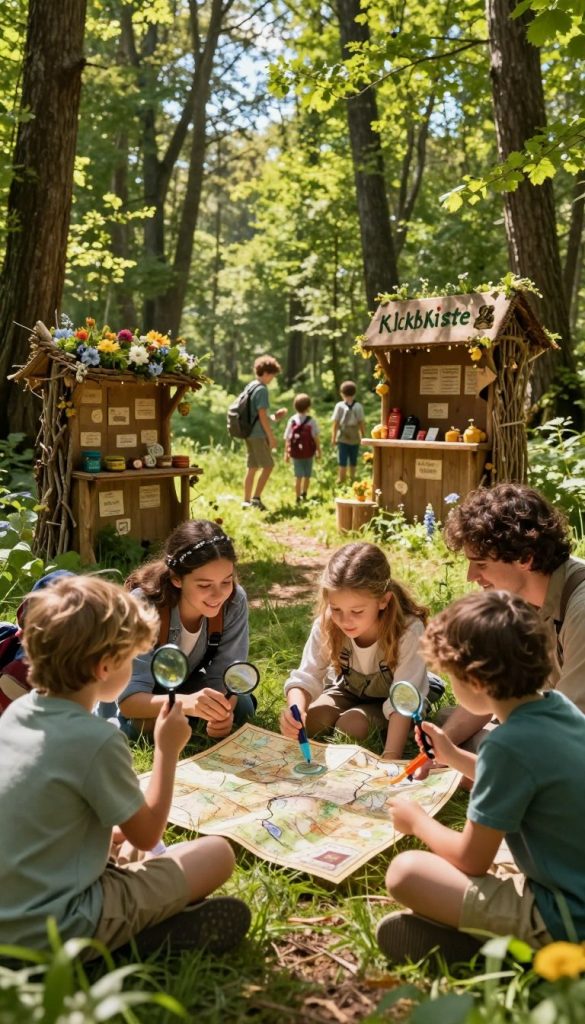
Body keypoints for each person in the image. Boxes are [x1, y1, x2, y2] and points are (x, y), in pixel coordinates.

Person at [0, 574, 250, 955]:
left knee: (126, 846)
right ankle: (135, 937)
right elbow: (147, 835)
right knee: (216, 854)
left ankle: (140, 924)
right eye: (131, 659)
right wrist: (167, 751)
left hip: (10, 914)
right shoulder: (97, 739)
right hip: (58, 929)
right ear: (104, 668)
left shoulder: (15, 717)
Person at [376, 590, 585, 966]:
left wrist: (417, 822)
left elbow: (471, 860)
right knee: (499, 845)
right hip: (569, 875)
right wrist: (453, 756)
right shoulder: (559, 707)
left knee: (406, 872)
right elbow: (524, 778)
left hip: (569, 920)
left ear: (474, 682)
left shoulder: (507, 746)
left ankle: (503, 953)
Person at [437, 483, 585, 753]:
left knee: (492, 747)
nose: (471, 576)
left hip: (571, 737)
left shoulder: (581, 610)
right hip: (548, 722)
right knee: (446, 722)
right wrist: (441, 747)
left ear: (525, 559)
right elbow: (495, 688)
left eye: (481, 564)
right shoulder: (519, 600)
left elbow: (569, 728)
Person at [280, 542, 430, 759]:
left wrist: (390, 756)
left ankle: (371, 726)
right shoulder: (328, 624)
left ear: (383, 601)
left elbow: (404, 700)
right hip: (348, 691)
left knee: (351, 727)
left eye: (357, 611)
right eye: (336, 608)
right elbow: (307, 675)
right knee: (312, 720)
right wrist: (295, 713)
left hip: (397, 703)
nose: (344, 620)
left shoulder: (407, 631)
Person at [113, 520, 254, 741]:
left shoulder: (234, 601)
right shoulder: (142, 605)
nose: (219, 595)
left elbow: (226, 680)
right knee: (141, 727)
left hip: (185, 685)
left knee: (242, 707)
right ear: (176, 578)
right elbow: (129, 700)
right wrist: (187, 704)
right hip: (139, 695)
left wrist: (222, 713)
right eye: (205, 585)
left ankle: (189, 716)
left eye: (226, 581)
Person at [242, 354, 287, 511]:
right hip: (258, 435)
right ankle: (255, 499)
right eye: (272, 376)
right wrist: (271, 437)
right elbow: (261, 416)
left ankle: (246, 502)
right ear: (267, 373)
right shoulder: (262, 389)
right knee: (268, 466)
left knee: (253, 467)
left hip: (248, 433)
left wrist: (274, 417)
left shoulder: (251, 386)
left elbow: (258, 414)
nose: (272, 379)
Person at [284, 393, 321, 503]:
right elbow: (316, 437)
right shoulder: (311, 421)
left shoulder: (292, 420)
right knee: (307, 475)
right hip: (309, 452)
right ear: (308, 407)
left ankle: (297, 497)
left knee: (298, 476)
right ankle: (304, 494)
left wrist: (286, 453)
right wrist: (318, 450)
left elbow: (288, 438)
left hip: (296, 453)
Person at [331, 380, 366, 483]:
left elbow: (336, 423)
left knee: (342, 458)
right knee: (353, 458)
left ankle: (341, 479)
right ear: (354, 393)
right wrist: (363, 436)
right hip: (354, 434)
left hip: (342, 435)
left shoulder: (339, 406)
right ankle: (352, 478)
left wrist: (333, 438)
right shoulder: (358, 406)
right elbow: (361, 423)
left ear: (342, 393)